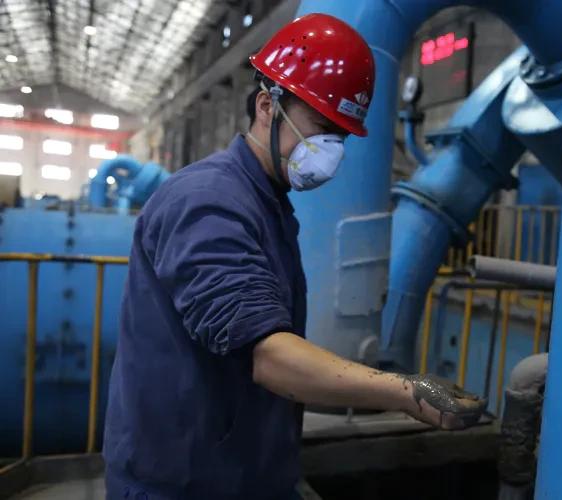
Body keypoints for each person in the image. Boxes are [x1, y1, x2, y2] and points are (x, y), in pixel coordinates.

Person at [103, 13, 486, 500]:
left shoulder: (267, 202)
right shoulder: (207, 201)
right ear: (267, 105)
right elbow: (267, 355)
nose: (331, 149)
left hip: (242, 474)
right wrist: (406, 392)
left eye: (340, 135)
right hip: (182, 484)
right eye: (322, 127)